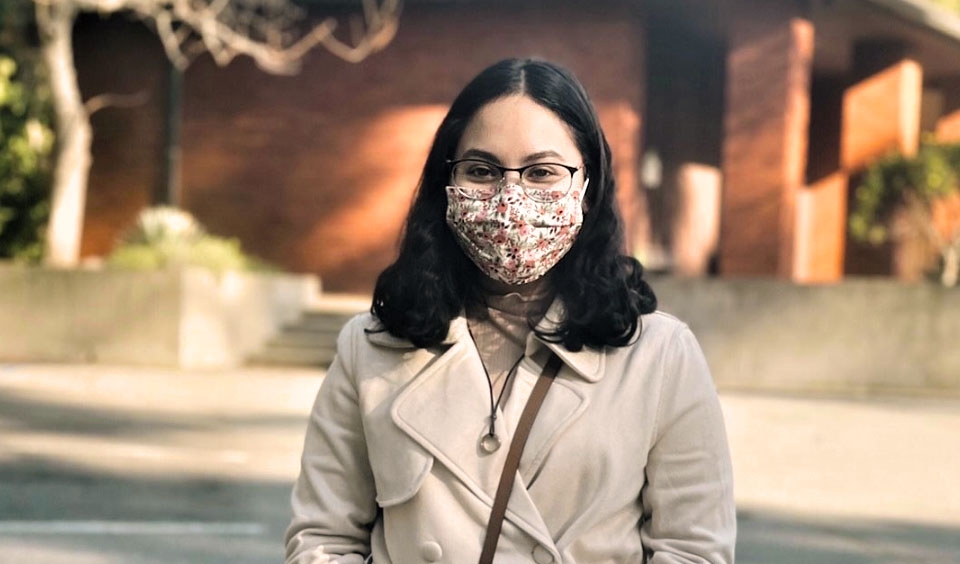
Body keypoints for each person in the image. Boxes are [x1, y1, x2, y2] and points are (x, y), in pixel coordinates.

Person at [285, 58, 736, 563]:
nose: (510, 199)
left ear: (588, 186)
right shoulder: (369, 349)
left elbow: (693, 550)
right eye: (481, 170)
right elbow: (322, 541)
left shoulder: (660, 358)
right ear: (445, 184)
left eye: (542, 172)